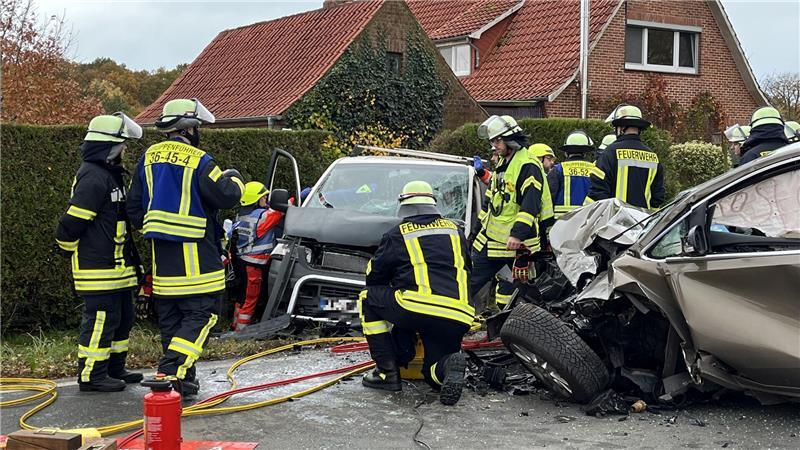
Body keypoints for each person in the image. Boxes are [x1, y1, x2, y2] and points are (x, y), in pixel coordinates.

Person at [127, 98, 244, 396]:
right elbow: (227, 195)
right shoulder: (199, 159)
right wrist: (236, 179)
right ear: (189, 128)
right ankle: (170, 371)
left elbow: (134, 208)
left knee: (173, 322)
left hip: (163, 267)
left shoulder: (147, 158)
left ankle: (184, 380)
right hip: (197, 264)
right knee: (202, 316)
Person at [359, 181, 474, 405]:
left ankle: (386, 373)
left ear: (404, 205)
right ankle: (449, 365)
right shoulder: (455, 230)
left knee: (368, 297)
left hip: (418, 308)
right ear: (433, 204)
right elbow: (468, 267)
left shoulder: (397, 234)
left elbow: (374, 277)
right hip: (459, 314)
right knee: (432, 371)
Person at [56, 112, 144, 392]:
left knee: (123, 318)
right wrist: (70, 251)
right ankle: (92, 374)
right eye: (122, 145)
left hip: (117, 267)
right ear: (109, 147)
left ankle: (114, 368)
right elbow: (71, 223)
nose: (125, 150)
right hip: (98, 268)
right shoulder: (94, 177)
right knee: (101, 321)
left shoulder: (110, 175)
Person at [470, 115, 554, 310]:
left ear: (510, 139)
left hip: (518, 245)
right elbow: (491, 201)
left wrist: (517, 234)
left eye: (497, 140)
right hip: (493, 241)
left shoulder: (527, 165)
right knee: (470, 281)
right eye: (492, 141)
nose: (494, 146)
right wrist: (476, 230)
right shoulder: (503, 163)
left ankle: (532, 323)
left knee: (526, 292)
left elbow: (530, 204)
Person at [586, 104, 665, 211]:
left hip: (615, 218)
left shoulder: (610, 152)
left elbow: (598, 190)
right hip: (643, 219)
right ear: (639, 129)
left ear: (621, 128)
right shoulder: (653, 157)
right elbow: (657, 197)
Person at [231, 181, 284, 331]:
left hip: (242, 262)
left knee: (242, 296)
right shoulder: (262, 216)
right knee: (250, 298)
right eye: (264, 197)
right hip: (253, 265)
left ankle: (234, 325)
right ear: (256, 199)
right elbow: (280, 211)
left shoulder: (241, 215)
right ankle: (241, 331)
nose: (266, 199)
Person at [549, 131, 603, 219]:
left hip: (562, 221)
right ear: (585, 153)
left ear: (566, 152)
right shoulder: (595, 169)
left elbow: (549, 198)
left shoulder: (558, 170)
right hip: (588, 219)